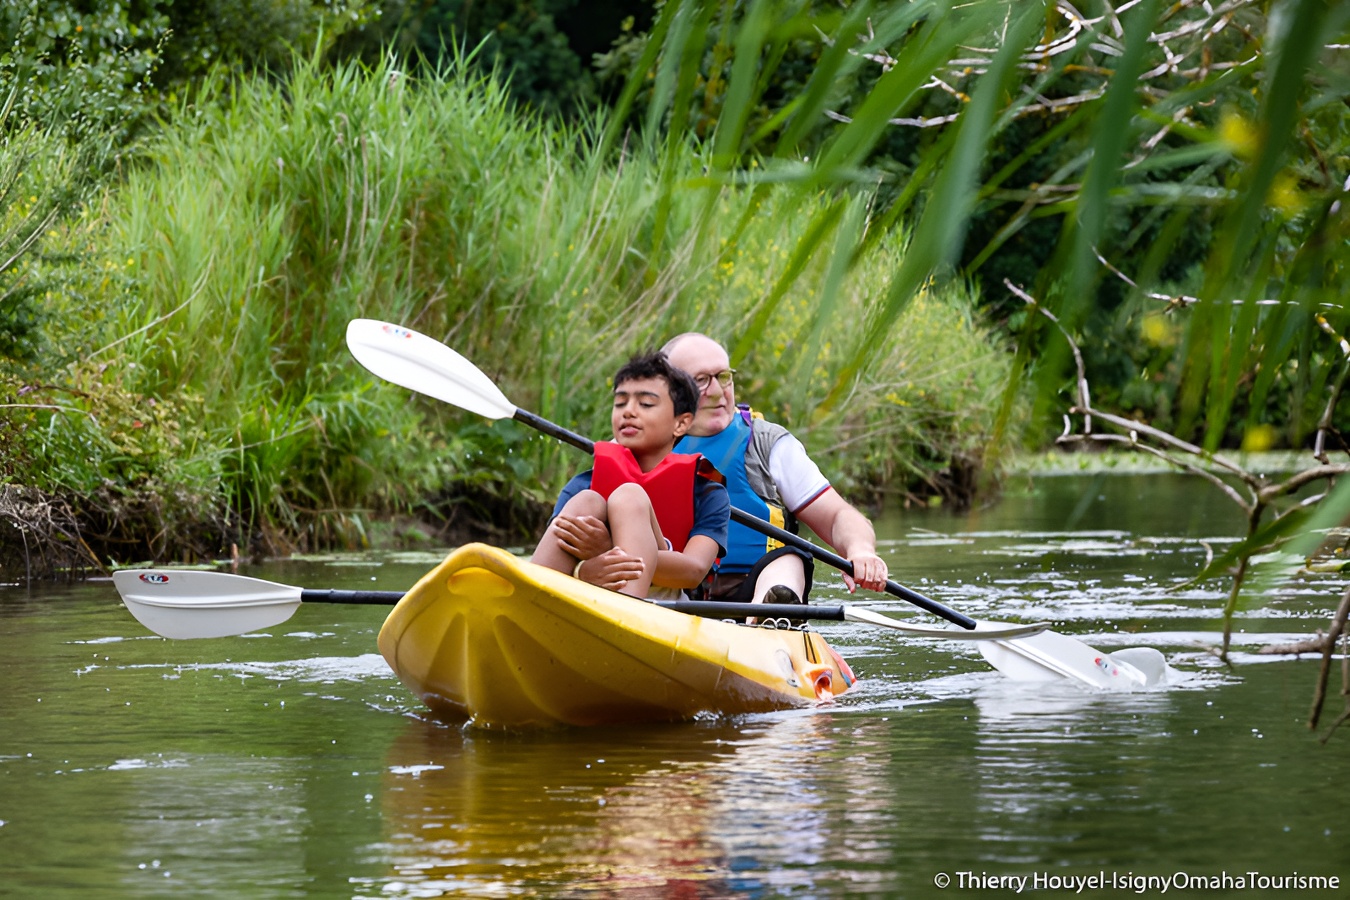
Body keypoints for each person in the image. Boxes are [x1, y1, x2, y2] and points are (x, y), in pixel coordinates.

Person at [661, 333, 889, 606]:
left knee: (792, 556)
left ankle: (772, 614)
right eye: (701, 380)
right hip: (671, 593)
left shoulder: (769, 445)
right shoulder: (642, 442)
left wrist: (860, 550)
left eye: (723, 377)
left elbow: (837, 515)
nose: (719, 391)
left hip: (753, 590)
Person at [531, 352, 729, 600]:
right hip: (588, 595)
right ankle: (528, 600)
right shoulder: (582, 485)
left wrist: (608, 548)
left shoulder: (707, 490)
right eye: (620, 403)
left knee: (629, 497)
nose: (628, 412)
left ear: (681, 423)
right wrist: (582, 572)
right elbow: (569, 561)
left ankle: (625, 612)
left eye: (645, 404)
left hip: (663, 606)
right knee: (586, 501)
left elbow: (693, 571)